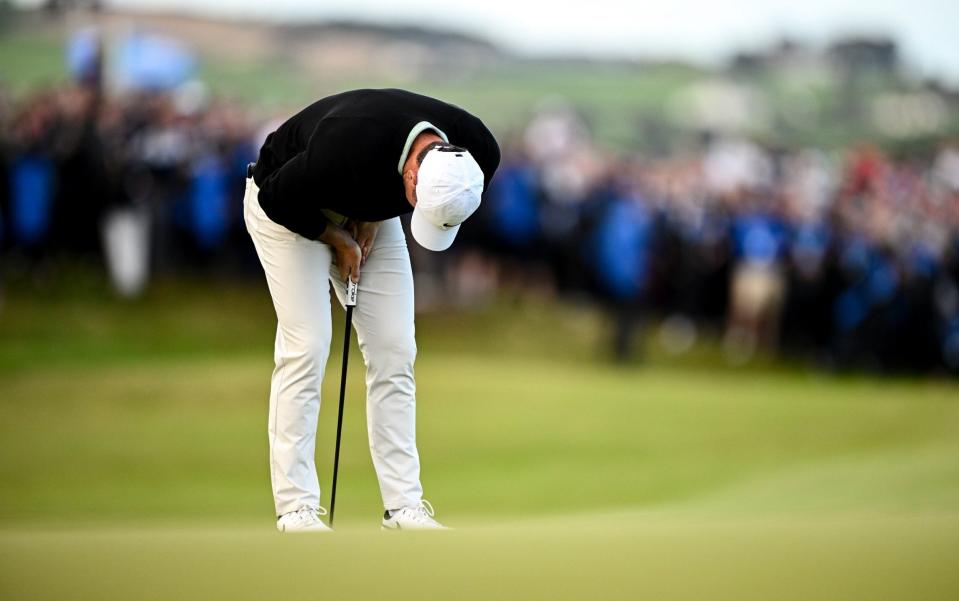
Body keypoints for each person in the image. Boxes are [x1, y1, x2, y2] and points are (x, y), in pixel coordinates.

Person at [243, 89, 500, 532]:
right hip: (286, 203)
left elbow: (383, 187)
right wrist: (338, 238)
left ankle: (403, 507)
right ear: (413, 175)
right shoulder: (346, 144)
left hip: (357, 192)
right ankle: (296, 509)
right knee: (307, 346)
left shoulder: (478, 148)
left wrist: (374, 213)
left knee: (395, 350)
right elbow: (276, 198)